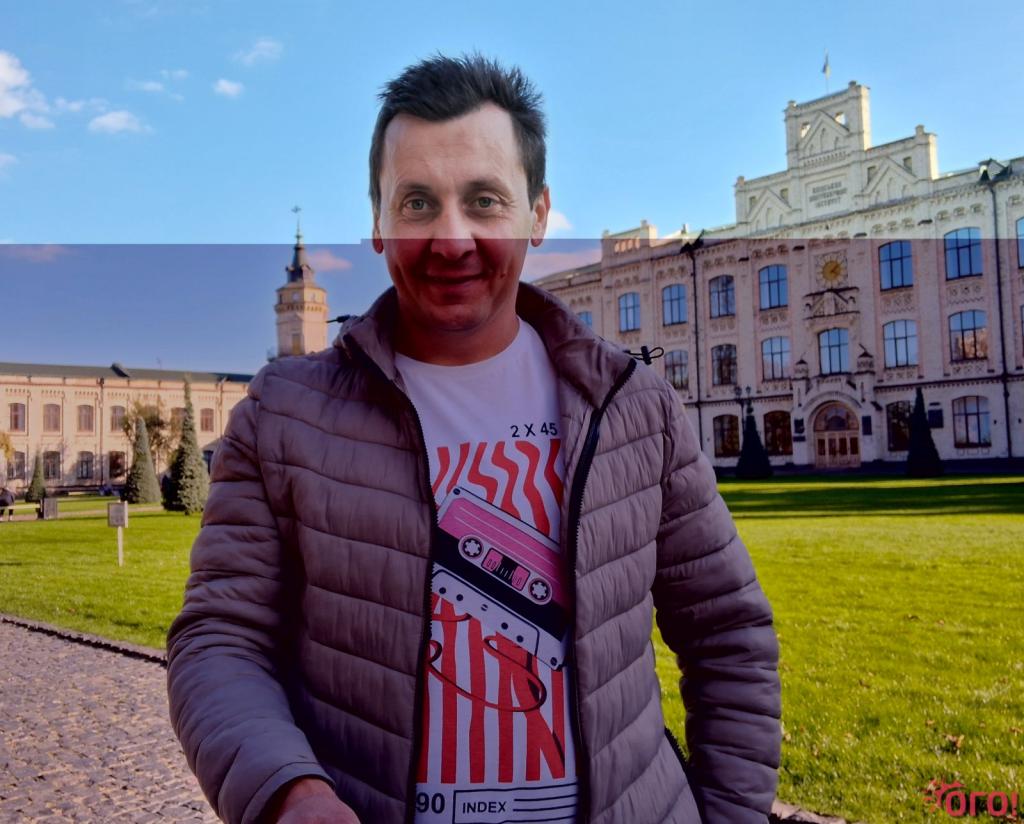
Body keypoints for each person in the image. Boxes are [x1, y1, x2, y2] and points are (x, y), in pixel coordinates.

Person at [167, 53, 781, 824]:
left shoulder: (633, 407)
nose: (451, 239)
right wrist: (288, 793)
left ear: (537, 214)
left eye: (484, 200)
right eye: (417, 202)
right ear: (379, 224)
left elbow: (728, 634)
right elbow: (220, 640)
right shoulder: (285, 415)